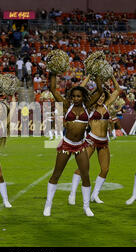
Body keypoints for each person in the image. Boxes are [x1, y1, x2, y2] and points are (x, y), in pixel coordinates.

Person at [43, 74, 103, 217]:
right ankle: (48, 205)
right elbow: (52, 88)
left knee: (86, 176)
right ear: (71, 97)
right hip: (67, 144)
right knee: (56, 175)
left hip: (80, 145)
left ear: (83, 97)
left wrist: (98, 73)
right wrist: (53, 72)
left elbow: (100, 91)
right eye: (74, 96)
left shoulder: (87, 107)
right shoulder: (66, 105)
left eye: (79, 96)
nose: (76, 98)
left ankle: (86, 207)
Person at [68, 75, 123, 205]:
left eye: (103, 97)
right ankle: (72, 194)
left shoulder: (107, 105)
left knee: (105, 169)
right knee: (82, 168)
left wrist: (112, 76)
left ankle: (95, 195)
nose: (101, 99)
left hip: (104, 141)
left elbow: (118, 90)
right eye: (99, 96)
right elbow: (80, 88)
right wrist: (88, 76)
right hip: (91, 140)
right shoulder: (90, 107)